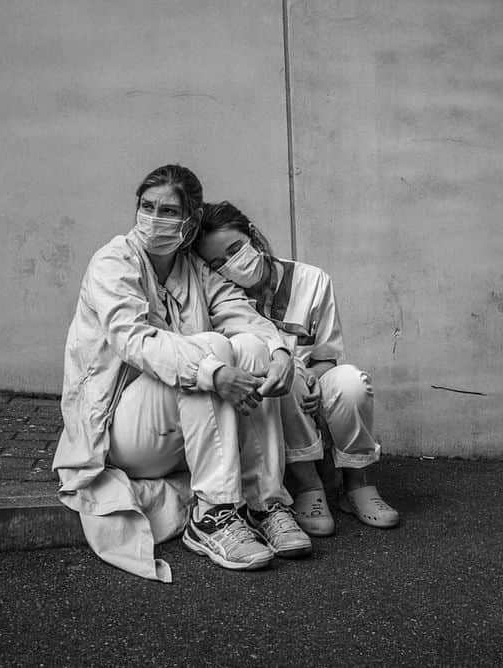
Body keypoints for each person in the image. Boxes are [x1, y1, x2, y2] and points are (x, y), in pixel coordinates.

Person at [52, 165, 311, 583]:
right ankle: (212, 517)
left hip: (179, 430)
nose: (154, 217)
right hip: (121, 432)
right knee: (209, 350)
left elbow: (242, 315)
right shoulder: (113, 263)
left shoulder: (194, 269)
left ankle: (265, 504)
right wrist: (212, 370)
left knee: (248, 346)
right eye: (147, 206)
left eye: (168, 210)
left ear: (189, 222)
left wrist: (279, 351)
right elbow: (134, 341)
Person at [195, 201, 399, 537]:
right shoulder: (223, 300)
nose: (231, 264)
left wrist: (315, 378)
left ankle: (358, 485)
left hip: (312, 382)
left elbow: (326, 355)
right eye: (219, 263)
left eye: (235, 249)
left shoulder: (312, 280)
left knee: (351, 383)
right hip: (269, 401)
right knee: (281, 378)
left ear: (253, 237)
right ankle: (308, 488)